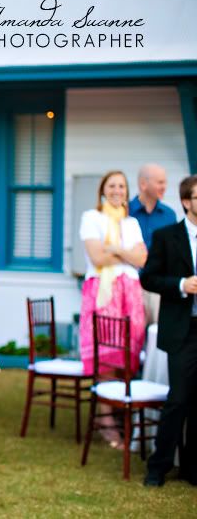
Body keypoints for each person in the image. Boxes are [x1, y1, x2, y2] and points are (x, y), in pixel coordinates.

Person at [79, 170, 147, 448]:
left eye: (122, 186)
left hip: (130, 292)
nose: (117, 190)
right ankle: (106, 421)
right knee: (106, 353)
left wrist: (114, 248)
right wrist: (125, 253)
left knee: (128, 351)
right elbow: (96, 257)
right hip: (102, 292)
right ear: (103, 190)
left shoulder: (132, 222)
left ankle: (121, 412)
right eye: (112, 185)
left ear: (127, 192)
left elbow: (141, 258)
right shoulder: (91, 218)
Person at [140, 174, 197, 487]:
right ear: (187, 202)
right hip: (182, 329)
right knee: (178, 399)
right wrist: (180, 285)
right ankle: (158, 467)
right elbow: (148, 278)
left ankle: (191, 467)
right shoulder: (166, 236)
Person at [128, 164, 177, 325]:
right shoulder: (125, 212)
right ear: (143, 184)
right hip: (131, 285)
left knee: (158, 338)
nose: (164, 187)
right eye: (160, 182)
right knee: (133, 338)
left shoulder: (169, 215)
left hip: (158, 288)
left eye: (165, 182)